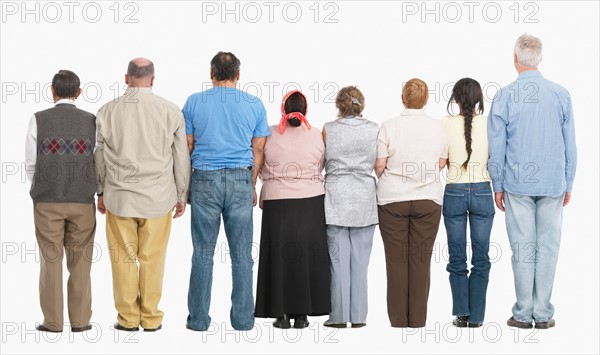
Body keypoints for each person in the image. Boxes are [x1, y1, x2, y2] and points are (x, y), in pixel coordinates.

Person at [488, 34, 577, 330]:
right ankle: (543, 312)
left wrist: (497, 185)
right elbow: (571, 145)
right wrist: (569, 182)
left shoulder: (503, 96)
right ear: (540, 59)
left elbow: (496, 145)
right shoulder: (561, 94)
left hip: (517, 184)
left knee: (523, 248)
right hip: (553, 181)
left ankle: (523, 313)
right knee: (549, 247)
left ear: (514, 59)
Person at [95, 58, 191, 332]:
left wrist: (100, 191)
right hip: (158, 198)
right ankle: (150, 318)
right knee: (153, 258)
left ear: (126, 78)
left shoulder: (106, 111)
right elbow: (180, 156)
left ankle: (127, 319)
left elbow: (98, 155)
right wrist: (181, 193)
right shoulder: (170, 111)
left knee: (122, 259)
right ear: (153, 79)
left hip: (119, 197)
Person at [184, 52, 270, 331]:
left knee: (202, 253)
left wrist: (186, 186)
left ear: (211, 73)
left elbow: (188, 146)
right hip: (240, 180)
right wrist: (252, 184)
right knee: (242, 254)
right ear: (238, 75)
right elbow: (258, 149)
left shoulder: (194, 102)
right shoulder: (254, 104)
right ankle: (244, 320)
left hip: (204, 179)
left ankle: (198, 321)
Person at [26, 70, 96, 333]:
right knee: (81, 261)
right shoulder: (92, 121)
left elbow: (30, 163)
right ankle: (80, 321)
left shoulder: (38, 119)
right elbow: (96, 160)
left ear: (52, 91)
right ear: (79, 92)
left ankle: (53, 322)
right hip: (82, 200)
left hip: (47, 200)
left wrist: (39, 189)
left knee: (50, 260)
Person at [375, 78, 448, 328]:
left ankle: (397, 321)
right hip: (428, 200)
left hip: (392, 200)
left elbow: (380, 165)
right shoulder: (439, 127)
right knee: (420, 261)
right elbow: (441, 164)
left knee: (396, 261)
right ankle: (417, 320)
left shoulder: (388, 126)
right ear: (426, 100)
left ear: (403, 98)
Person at [254, 90, 330, 329]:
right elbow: (321, 165)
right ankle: (302, 315)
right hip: (311, 201)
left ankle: (281, 314)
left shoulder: (269, 133)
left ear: (282, 109)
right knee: (307, 258)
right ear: (306, 110)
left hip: (278, 202)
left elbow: (259, 161)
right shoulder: (316, 134)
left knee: (279, 258)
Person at [322, 86, 379, 329]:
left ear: (339, 105)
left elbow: (319, 161)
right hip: (364, 199)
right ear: (361, 104)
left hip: (335, 198)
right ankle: (358, 317)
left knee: (337, 263)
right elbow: (379, 164)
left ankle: (338, 315)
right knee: (361, 262)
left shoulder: (328, 129)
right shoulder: (375, 129)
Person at [442, 78, 495, 328]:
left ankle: (462, 312)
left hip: (454, 191)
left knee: (456, 256)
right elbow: (495, 160)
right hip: (484, 191)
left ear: (455, 98)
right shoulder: (489, 124)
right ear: (478, 99)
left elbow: (441, 161)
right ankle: (477, 317)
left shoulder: (444, 124)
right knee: (482, 256)